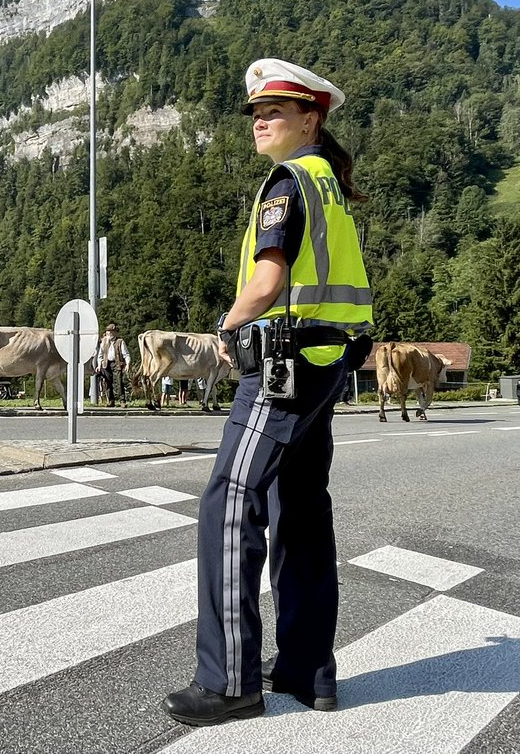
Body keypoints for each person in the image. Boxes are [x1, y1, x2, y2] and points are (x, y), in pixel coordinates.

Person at [162, 59, 374, 727]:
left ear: (311, 119)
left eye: (274, 112)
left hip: (282, 364)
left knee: (228, 505)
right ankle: (310, 672)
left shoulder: (288, 182)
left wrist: (227, 324)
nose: (260, 121)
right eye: (256, 113)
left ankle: (229, 683)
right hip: (327, 361)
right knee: (301, 509)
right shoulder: (330, 185)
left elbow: (268, 279)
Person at [96, 324, 121, 406]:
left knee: (119, 381)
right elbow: (100, 355)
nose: (110, 333)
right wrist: (99, 365)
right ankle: (111, 400)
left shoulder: (119, 341)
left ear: (115, 333)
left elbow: (125, 354)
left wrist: (127, 363)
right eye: (108, 331)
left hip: (116, 363)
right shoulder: (104, 342)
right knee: (108, 383)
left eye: (111, 332)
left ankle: (122, 400)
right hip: (106, 363)